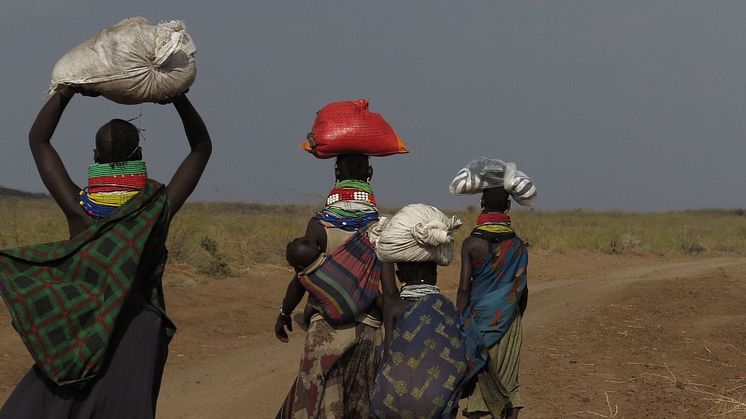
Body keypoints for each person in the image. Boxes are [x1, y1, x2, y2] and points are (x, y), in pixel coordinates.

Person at [0, 87, 211, 419]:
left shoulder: (79, 209)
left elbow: (39, 141)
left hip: (80, 322)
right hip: (137, 328)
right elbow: (201, 148)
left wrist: (67, 91)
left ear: (96, 158)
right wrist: (177, 98)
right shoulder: (155, 209)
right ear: (139, 153)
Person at [276, 154, 384, 419]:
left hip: (324, 327)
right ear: (370, 173)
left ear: (336, 174)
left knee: (316, 402)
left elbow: (302, 278)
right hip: (367, 327)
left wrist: (284, 312)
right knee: (361, 404)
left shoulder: (319, 226)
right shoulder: (379, 227)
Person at [370, 203, 467, 419]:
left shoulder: (394, 308)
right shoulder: (446, 308)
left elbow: (388, 355)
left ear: (399, 274)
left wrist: (383, 243)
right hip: (435, 402)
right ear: (435, 273)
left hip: (393, 400)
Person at [458, 186, 529, 419]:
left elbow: (464, 289)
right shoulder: (518, 246)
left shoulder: (470, 244)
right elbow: (522, 289)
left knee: (480, 373)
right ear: (508, 207)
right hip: (509, 318)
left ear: (481, 204)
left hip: (477, 319)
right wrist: (514, 315)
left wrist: (461, 322)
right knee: (509, 380)